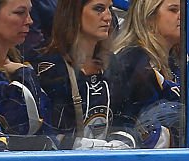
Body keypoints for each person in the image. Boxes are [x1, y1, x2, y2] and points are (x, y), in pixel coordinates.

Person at [38, 0, 134, 149]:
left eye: (109, 9)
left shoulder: (112, 64)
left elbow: (127, 117)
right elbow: (46, 134)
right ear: (74, 14)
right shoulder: (51, 68)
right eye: (99, 9)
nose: (108, 17)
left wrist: (122, 142)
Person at [109, 0, 182, 147]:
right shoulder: (135, 60)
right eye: (173, 10)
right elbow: (134, 125)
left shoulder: (174, 62)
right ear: (148, 17)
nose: (182, 17)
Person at [0, 0, 51, 137]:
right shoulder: (20, 71)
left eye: (29, 13)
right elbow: (17, 128)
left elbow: (46, 132)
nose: (30, 21)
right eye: (20, 13)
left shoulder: (21, 65)